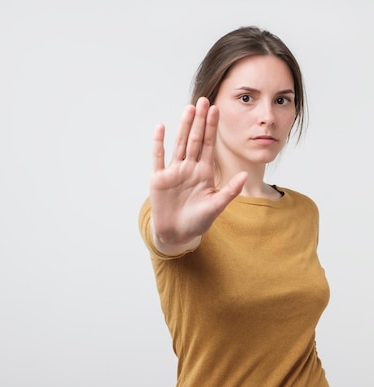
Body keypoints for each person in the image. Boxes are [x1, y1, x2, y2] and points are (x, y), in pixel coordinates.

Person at [138, 26, 330, 386]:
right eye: (246, 98)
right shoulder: (176, 212)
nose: (268, 117)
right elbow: (168, 237)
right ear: (208, 104)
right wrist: (170, 236)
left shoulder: (304, 211)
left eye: (282, 100)